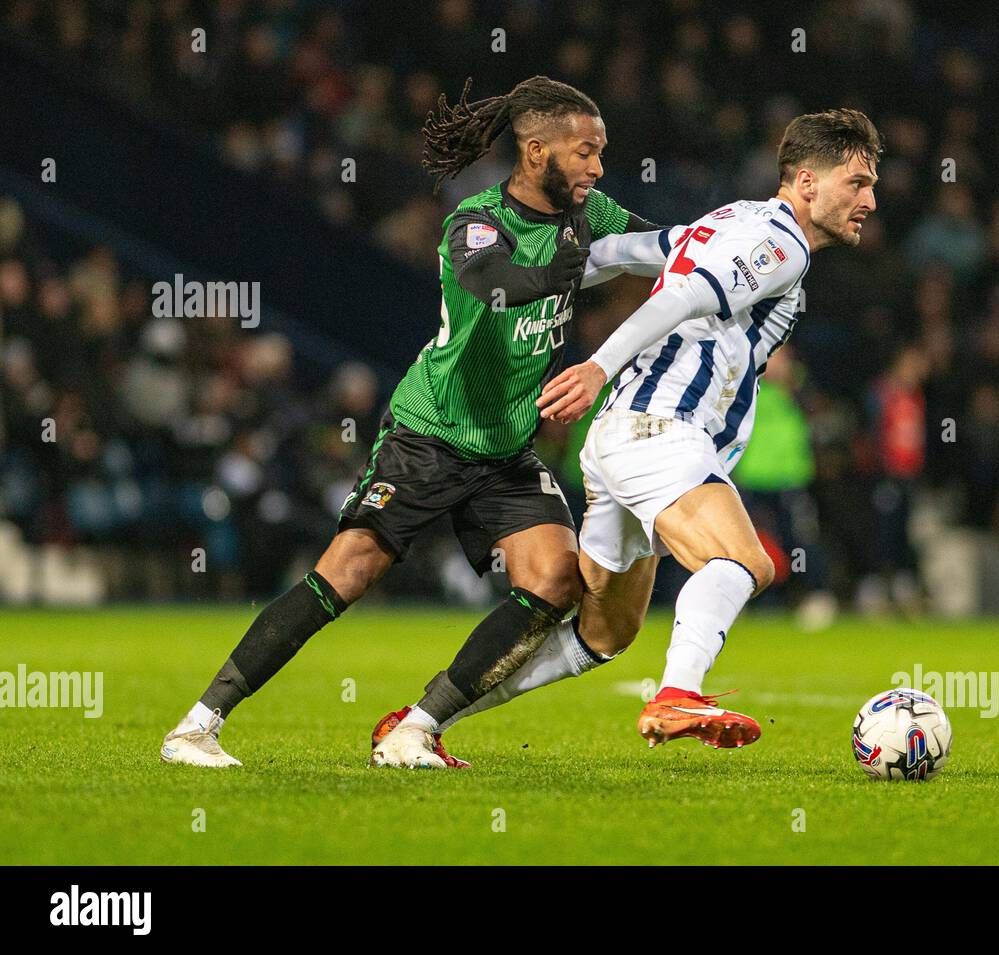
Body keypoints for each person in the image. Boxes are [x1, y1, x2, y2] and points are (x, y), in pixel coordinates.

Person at [160, 76, 662, 769]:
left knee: (554, 579)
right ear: (536, 149)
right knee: (347, 573)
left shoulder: (587, 213)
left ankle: (415, 727)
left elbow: (666, 247)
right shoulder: (477, 220)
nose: (597, 168)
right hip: (429, 436)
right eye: (585, 153)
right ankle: (197, 724)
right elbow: (493, 284)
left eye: (601, 154)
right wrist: (572, 269)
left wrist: (743, 242)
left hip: (505, 449)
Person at [373, 108, 883, 754]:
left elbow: (624, 251)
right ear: (807, 182)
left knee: (603, 633)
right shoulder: (779, 244)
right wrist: (594, 366)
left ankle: (421, 720)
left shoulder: (728, 220)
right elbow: (678, 298)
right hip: (659, 430)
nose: (870, 200)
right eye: (857, 183)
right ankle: (677, 694)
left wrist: (513, 276)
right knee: (743, 560)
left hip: (622, 437)